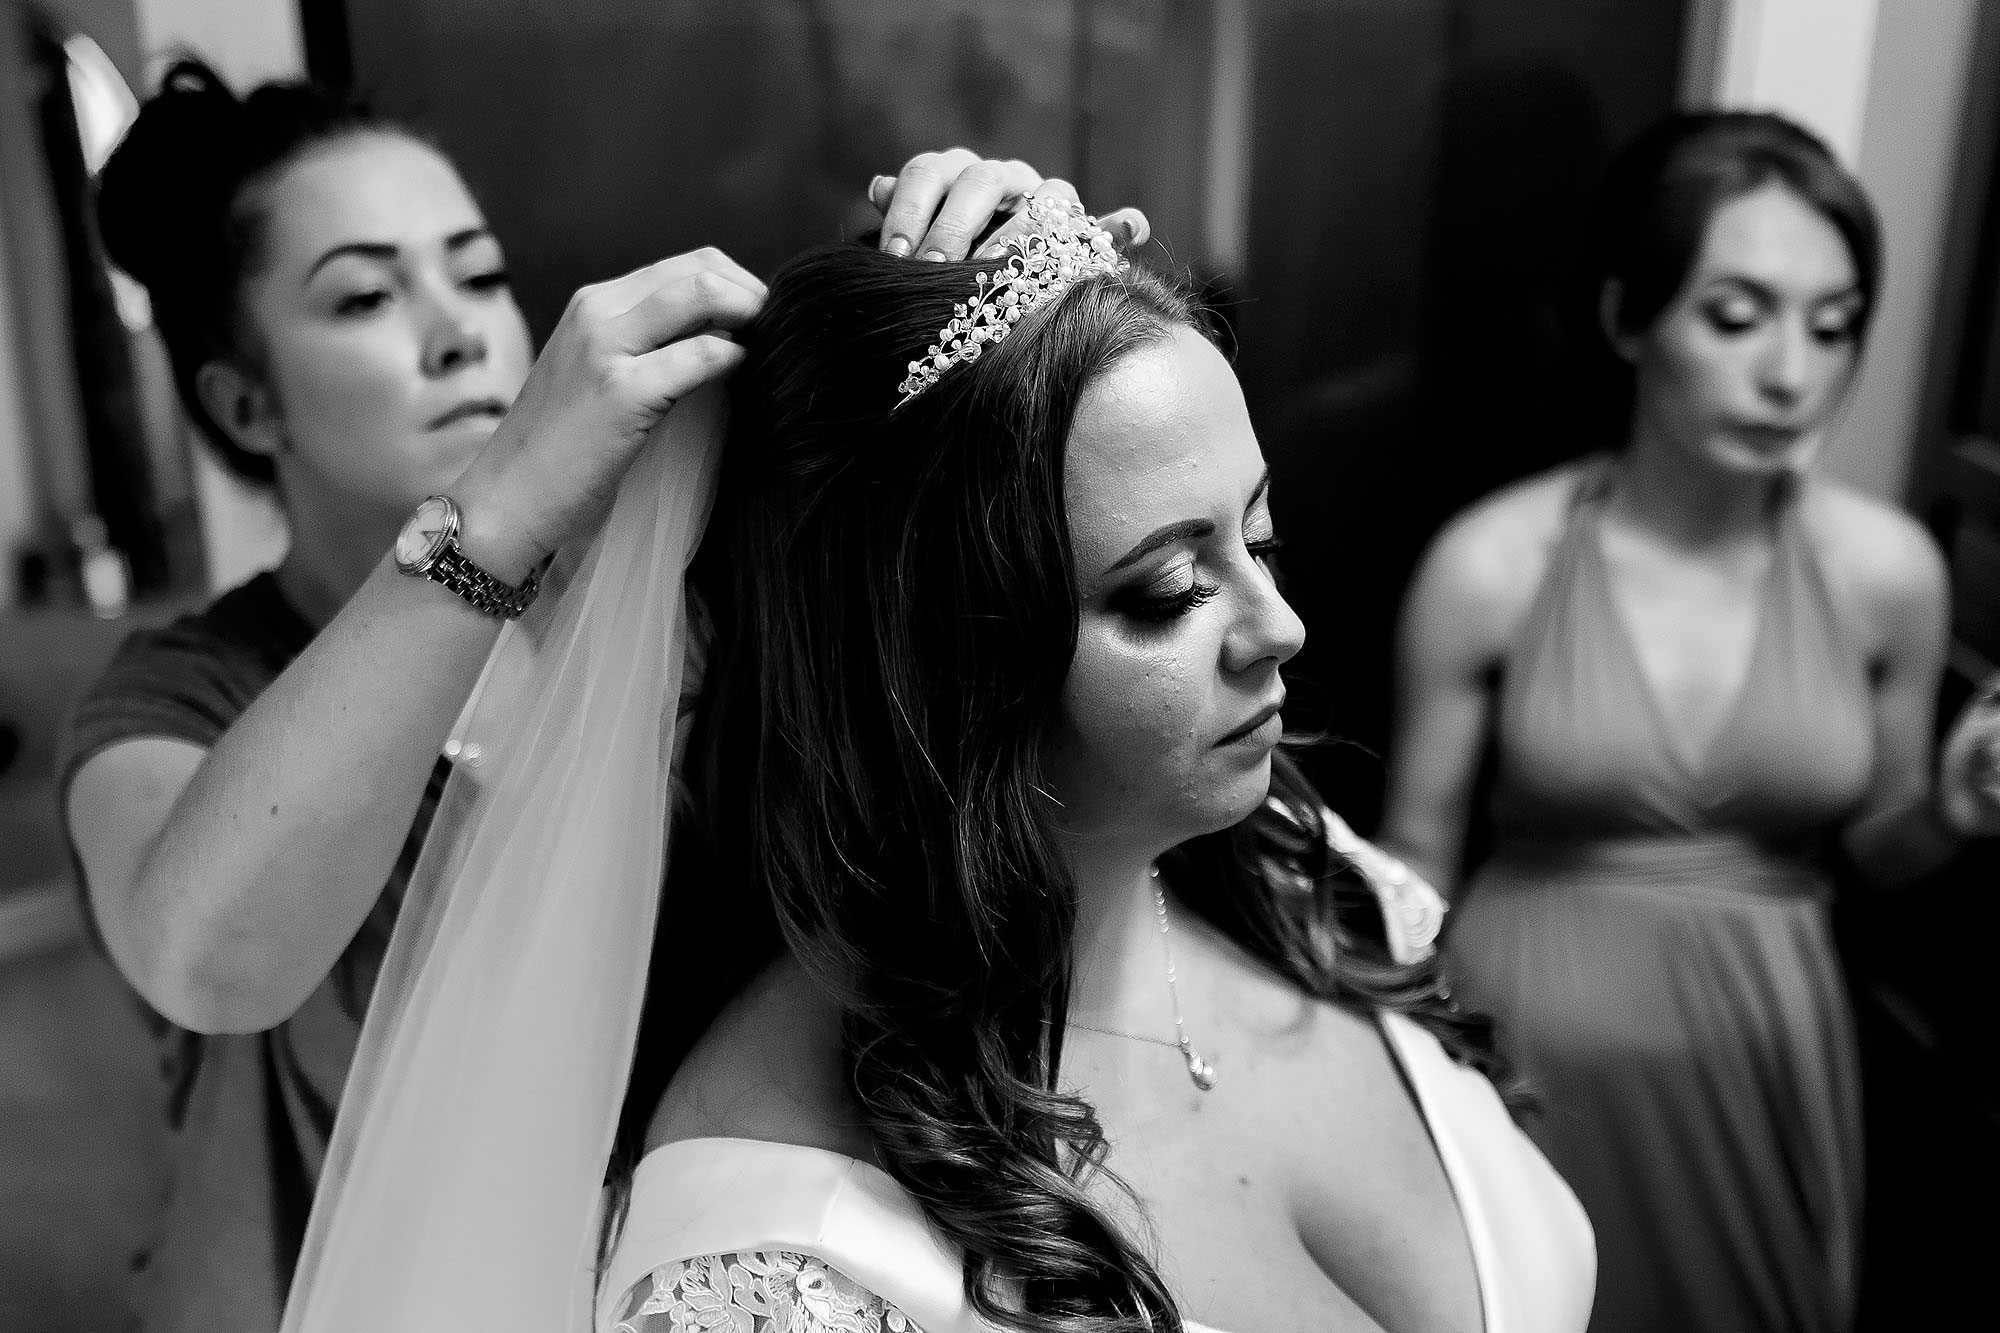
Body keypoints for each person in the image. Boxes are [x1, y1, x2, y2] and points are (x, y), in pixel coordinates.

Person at [284, 197, 1597, 1332]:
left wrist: (1051, 310)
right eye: (1173, 588)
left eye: (1262, 536)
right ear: (939, 661)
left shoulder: (1292, 868)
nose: (1280, 628)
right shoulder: (775, 1258)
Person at [55, 56, 1126, 1331]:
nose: (457, 329)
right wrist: (496, 512)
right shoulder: (177, 696)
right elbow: (214, 960)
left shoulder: (668, 589)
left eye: (478, 272)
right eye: (362, 299)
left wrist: (976, 286)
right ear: (242, 401)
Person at [1378, 111, 2000, 1333]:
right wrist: (1397, 1094)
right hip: (1525, 1068)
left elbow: (1875, 848)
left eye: (1832, 328)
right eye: (1735, 316)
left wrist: (1954, 807)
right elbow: (1408, 869)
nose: (1791, 374)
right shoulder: (1492, 565)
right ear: (1626, 319)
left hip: (1765, 1068)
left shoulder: (1885, 574)